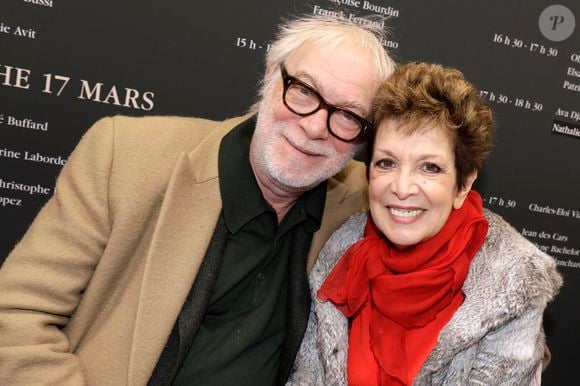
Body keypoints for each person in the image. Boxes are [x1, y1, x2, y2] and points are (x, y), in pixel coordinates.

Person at [0, 16, 396, 386]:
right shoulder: (125, 157)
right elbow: (15, 317)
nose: (313, 126)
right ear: (269, 78)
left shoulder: (364, 204)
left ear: (363, 137)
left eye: (347, 115)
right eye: (304, 91)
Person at [287, 62, 563, 385]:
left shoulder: (512, 284)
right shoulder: (339, 254)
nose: (402, 188)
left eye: (430, 167)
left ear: (463, 185)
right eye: (386, 163)